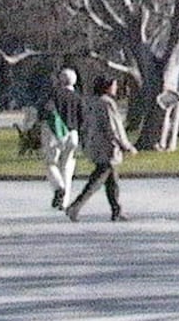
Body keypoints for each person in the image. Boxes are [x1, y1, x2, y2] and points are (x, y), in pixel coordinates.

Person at [65, 75, 135, 221]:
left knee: (111, 178)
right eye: (114, 85)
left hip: (94, 143)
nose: (116, 88)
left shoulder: (91, 101)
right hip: (107, 146)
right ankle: (75, 207)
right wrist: (125, 145)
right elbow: (113, 127)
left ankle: (116, 209)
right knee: (98, 178)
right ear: (107, 87)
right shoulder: (107, 103)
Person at [41, 67, 84, 212]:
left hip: (55, 133)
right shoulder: (78, 97)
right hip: (73, 134)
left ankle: (59, 188)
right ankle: (64, 203)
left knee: (51, 163)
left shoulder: (54, 95)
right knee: (67, 167)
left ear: (60, 79)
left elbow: (43, 112)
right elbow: (83, 119)